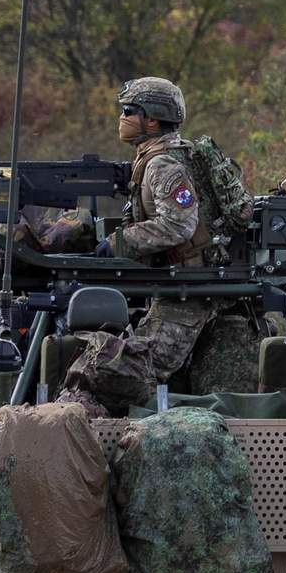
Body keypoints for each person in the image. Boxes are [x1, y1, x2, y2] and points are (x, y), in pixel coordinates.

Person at [97, 77, 227, 390]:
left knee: (128, 374)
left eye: (129, 110)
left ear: (152, 119)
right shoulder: (155, 157)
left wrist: (120, 244)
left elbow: (179, 224)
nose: (122, 118)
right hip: (175, 284)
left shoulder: (163, 164)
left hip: (187, 293)